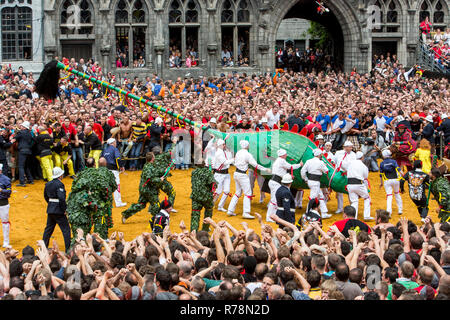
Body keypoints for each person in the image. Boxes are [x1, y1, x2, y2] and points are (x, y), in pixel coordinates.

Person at [226, 140, 270, 219]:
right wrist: (265, 169)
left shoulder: (239, 152)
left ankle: (230, 210)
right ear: (246, 146)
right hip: (242, 175)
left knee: (238, 192)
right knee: (248, 193)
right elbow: (255, 165)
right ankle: (246, 212)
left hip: (236, 173)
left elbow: (233, 160)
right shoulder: (247, 154)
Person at [267, 148, 303, 223]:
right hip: (275, 182)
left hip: (274, 181)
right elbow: (290, 166)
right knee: (274, 200)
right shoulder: (281, 160)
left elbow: (282, 171)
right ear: (283, 155)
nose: (286, 155)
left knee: (274, 200)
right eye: (285, 154)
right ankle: (269, 217)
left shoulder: (278, 160)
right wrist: (299, 165)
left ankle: (271, 216)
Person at [42, 167, 71, 252]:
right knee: (66, 229)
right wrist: (64, 209)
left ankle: (44, 247)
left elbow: (46, 196)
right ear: (60, 175)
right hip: (58, 210)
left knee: (48, 230)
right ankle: (68, 249)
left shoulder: (48, 184)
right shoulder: (59, 184)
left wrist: (51, 205)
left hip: (51, 209)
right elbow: (61, 198)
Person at [301, 148, 330, 219]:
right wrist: (326, 166)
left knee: (321, 197)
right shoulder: (320, 162)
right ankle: (308, 212)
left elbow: (302, 171)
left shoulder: (308, 161)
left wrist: (305, 179)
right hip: (316, 182)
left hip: (310, 181)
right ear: (319, 155)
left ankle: (324, 212)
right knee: (313, 198)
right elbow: (326, 171)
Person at [344, 151, 373, 221]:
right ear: (362, 158)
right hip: (358, 184)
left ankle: (353, 217)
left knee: (354, 201)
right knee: (367, 198)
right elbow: (365, 177)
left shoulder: (350, 164)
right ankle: (366, 215)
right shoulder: (363, 166)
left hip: (349, 184)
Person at [190, 163, 216, 232]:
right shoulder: (208, 173)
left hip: (195, 197)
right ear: (204, 164)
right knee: (208, 212)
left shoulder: (193, 172)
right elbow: (213, 185)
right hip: (206, 197)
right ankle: (205, 230)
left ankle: (193, 232)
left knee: (195, 215)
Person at [102, 138, 127, 208]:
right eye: (115, 142)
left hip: (105, 169)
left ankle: (105, 202)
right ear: (113, 143)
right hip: (113, 169)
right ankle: (118, 202)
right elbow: (117, 158)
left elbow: (101, 159)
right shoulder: (115, 149)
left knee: (106, 185)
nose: (116, 143)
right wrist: (121, 167)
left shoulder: (104, 150)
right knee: (116, 185)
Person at [334, 140, 356, 214]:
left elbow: (348, 165)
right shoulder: (339, 153)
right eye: (346, 147)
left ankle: (352, 208)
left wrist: (342, 165)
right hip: (340, 174)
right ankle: (340, 208)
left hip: (349, 175)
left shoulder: (353, 155)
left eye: (349, 147)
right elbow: (336, 162)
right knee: (339, 192)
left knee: (350, 191)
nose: (347, 148)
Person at [379, 149, 403, 216]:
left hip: (387, 180)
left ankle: (389, 212)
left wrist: (381, 183)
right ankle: (400, 209)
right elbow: (398, 169)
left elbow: (381, 174)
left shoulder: (382, 163)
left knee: (389, 196)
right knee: (397, 193)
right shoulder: (393, 161)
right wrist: (402, 173)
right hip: (395, 180)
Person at [212, 139, 234, 212]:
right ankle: (211, 204)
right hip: (219, 174)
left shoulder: (223, 152)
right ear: (220, 145)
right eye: (223, 144)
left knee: (227, 191)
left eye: (224, 144)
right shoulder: (218, 153)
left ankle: (220, 206)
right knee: (218, 191)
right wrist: (234, 159)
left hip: (226, 173)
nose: (225, 145)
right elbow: (224, 163)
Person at [12, 121, 34, 187]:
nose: (20, 126)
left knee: (21, 166)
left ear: (24, 127)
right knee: (26, 166)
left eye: (22, 126)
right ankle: (30, 180)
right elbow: (32, 141)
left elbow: (14, 139)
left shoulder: (20, 133)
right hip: (29, 151)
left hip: (22, 151)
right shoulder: (30, 133)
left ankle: (22, 182)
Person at [0, 164, 12, 248]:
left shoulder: (6, 179)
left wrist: (1, 190)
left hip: (3, 204)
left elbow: (9, 191)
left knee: (5, 223)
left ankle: (6, 242)